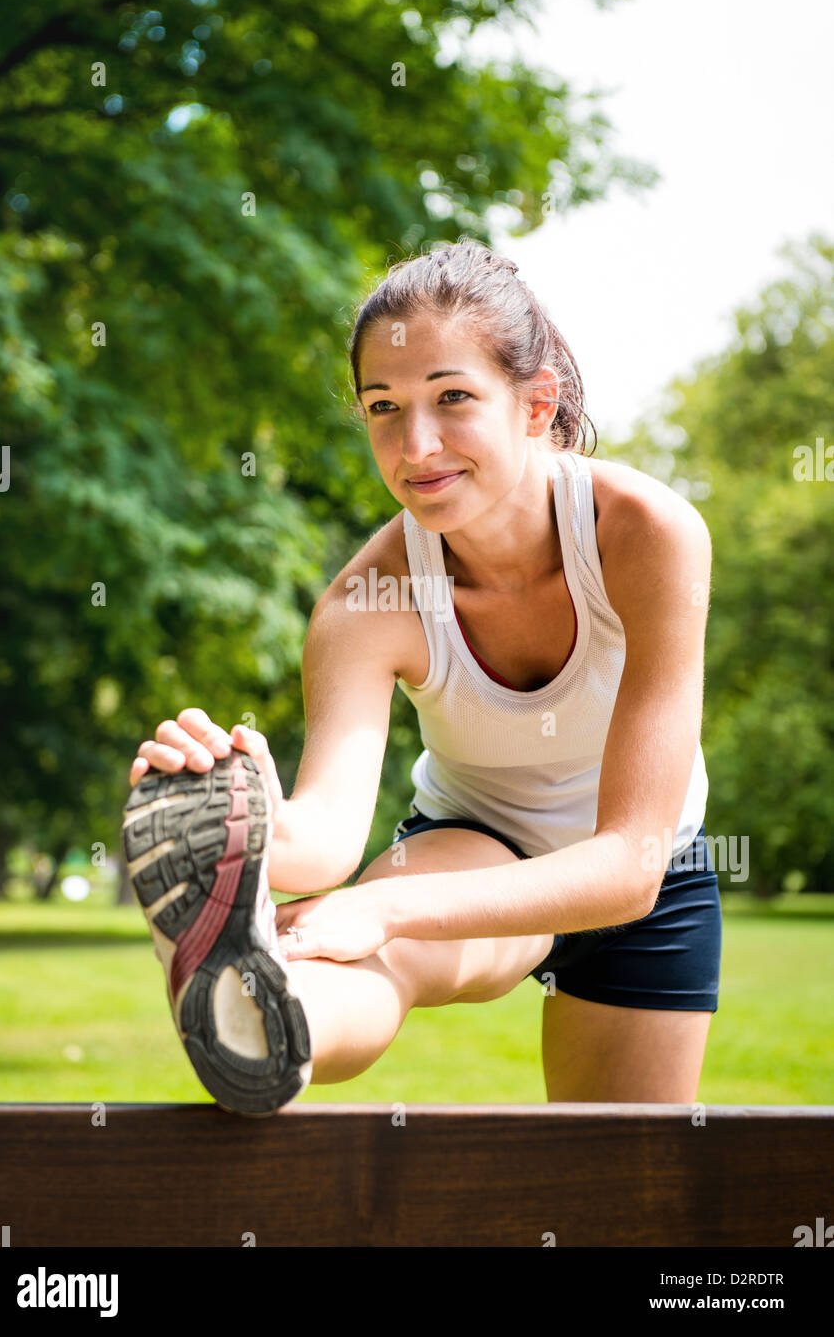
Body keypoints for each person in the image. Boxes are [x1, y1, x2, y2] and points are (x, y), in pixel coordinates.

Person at [122, 236, 721, 1117]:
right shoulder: (366, 602)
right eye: (382, 407)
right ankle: (253, 1016)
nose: (417, 444)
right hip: (476, 837)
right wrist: (239, 817)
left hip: (647, 879)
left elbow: (627, 862)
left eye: (452, 398)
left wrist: (390, 908)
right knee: (368, 948)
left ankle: (289, 978)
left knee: (618, 1201)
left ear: (532, 404)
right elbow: (325, 840)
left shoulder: (648, 535)